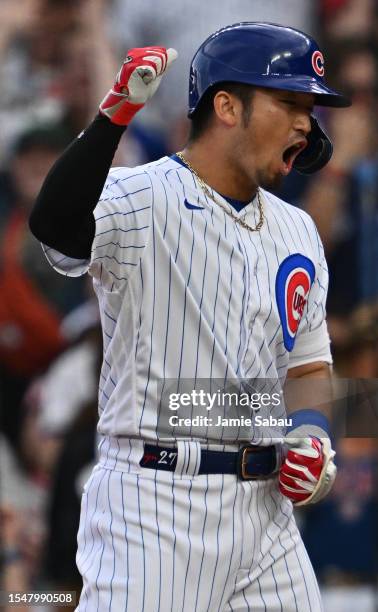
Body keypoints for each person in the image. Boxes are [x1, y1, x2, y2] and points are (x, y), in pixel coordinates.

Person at [29, 22, 350, 612]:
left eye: (311, 107)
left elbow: (308, 366)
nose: (307, 121)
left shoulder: (297, 228)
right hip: (156, 504)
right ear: (227, 105)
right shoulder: (141, 195)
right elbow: (53, 226)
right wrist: (116, 114)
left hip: (266, 513)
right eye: (289, 102)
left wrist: (312, 436)